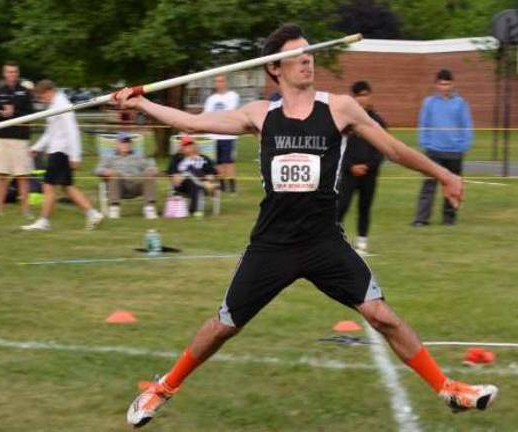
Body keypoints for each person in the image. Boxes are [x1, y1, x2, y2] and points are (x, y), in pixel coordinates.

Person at [116, 24, 497, 428]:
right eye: (298, 54)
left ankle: (448, 389)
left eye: (310, 52)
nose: (308, 59)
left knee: (382, 315)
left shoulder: (339, 108)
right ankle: (163, 388)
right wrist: (143, 105)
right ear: (275, 68)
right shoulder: (261, 114)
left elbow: (394, 149)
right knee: (223, 326)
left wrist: (444, 175)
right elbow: (191, 124)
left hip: (323, 242)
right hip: (272, 245)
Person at [21, 80, 103, 231]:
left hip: (59, 152)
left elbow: (72, 130)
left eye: (41, 96)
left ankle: (43, 221)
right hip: (59, 151)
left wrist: (75, 156)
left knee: (48, 187)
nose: (41, 99)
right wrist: (36, 148)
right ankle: (93, 213)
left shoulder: (62, 105)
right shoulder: (54, 105)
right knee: (67, 187)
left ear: (49, 91)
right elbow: (50, 132)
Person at [412, 69, 473, 227]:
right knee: (428, 186)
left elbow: (467, 126)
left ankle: (449, 219)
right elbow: (423, 124)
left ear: (452, 84)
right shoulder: (429, 103)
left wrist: (463, 146)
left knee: (452, 187)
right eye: (441, 84)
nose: (444, 87)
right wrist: (425, 144)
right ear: (436, 85)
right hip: (433, 152)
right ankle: (421, 219)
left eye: (447, 84)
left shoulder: (461, 103)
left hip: (454, 152)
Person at [337, 81, 386, 254]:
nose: (362, 99)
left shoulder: (378, 121)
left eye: (365, 95)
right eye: (358, 95)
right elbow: (338, 147)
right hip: (349, 173)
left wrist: (368, 166)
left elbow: (382, 149)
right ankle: (335, 242)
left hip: (369, 174)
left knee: (364, 207)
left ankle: (362, 244)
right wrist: (350, 166)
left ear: (370, 96)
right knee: (341, 206)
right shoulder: (345, 121)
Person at [0, 61, 34, 218]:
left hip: (20, 139)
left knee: (22, 176)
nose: (12, 74)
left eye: (14, 71)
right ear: (4, 73)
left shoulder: (25, 92)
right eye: (9, 72)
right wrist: (2, 114)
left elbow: (31, 114)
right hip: (2, 138)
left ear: (18, 73)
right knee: (2, 175)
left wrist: (14, 112)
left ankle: (26, 210)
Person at [95, 132, 159, 219]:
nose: (126, 144)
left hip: (136, 185)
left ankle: (149, 208)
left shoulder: (138, 157)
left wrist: (152, 169)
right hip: (119, 187)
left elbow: (150, 166)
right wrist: (105, 171)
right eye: (122, 142)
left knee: (148, 173)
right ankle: (114, 208)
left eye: (127, 142)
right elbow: (97, 170)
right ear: (116, 144)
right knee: (115, 174)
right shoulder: (108, 157)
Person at [203, 74, 240, 194]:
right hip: (213, 136)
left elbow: (230, 112)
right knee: (217, 162)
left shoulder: (232, 96)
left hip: (228, 135)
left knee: (228, 162)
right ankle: (222, 186)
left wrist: (216, 118)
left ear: (226, 82)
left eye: (221, 81)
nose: (219, 83)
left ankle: (232, 187)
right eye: (217, 81)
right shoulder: (211, 99)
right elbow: (206, 115)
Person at [167, 135, 217, 218]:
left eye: (191, 144)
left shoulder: (204, 158)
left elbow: (212, 174)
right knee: (190, 170)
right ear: (181, 148)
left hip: (200, 185)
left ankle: (195, 209)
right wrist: (178, 177)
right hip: (184, 185)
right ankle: (205, 188)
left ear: (195, 146)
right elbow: (173, 176)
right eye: (186, 145)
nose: (189, 147)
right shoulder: (177, 159)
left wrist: (210, 177)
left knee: (194, 179)